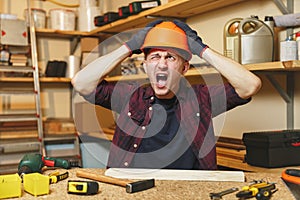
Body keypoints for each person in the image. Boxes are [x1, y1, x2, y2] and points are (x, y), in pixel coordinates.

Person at [72, 20, 261, 170]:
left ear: (184, 67)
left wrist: (202, 50)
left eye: (170, 57)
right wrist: (129, 47)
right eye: (155, 57)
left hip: (188, 189)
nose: (162, 64)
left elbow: (250, 85)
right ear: (145, 66)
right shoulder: (130, 95)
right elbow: (81, 83)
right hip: (134, 188)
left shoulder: (201, 98)